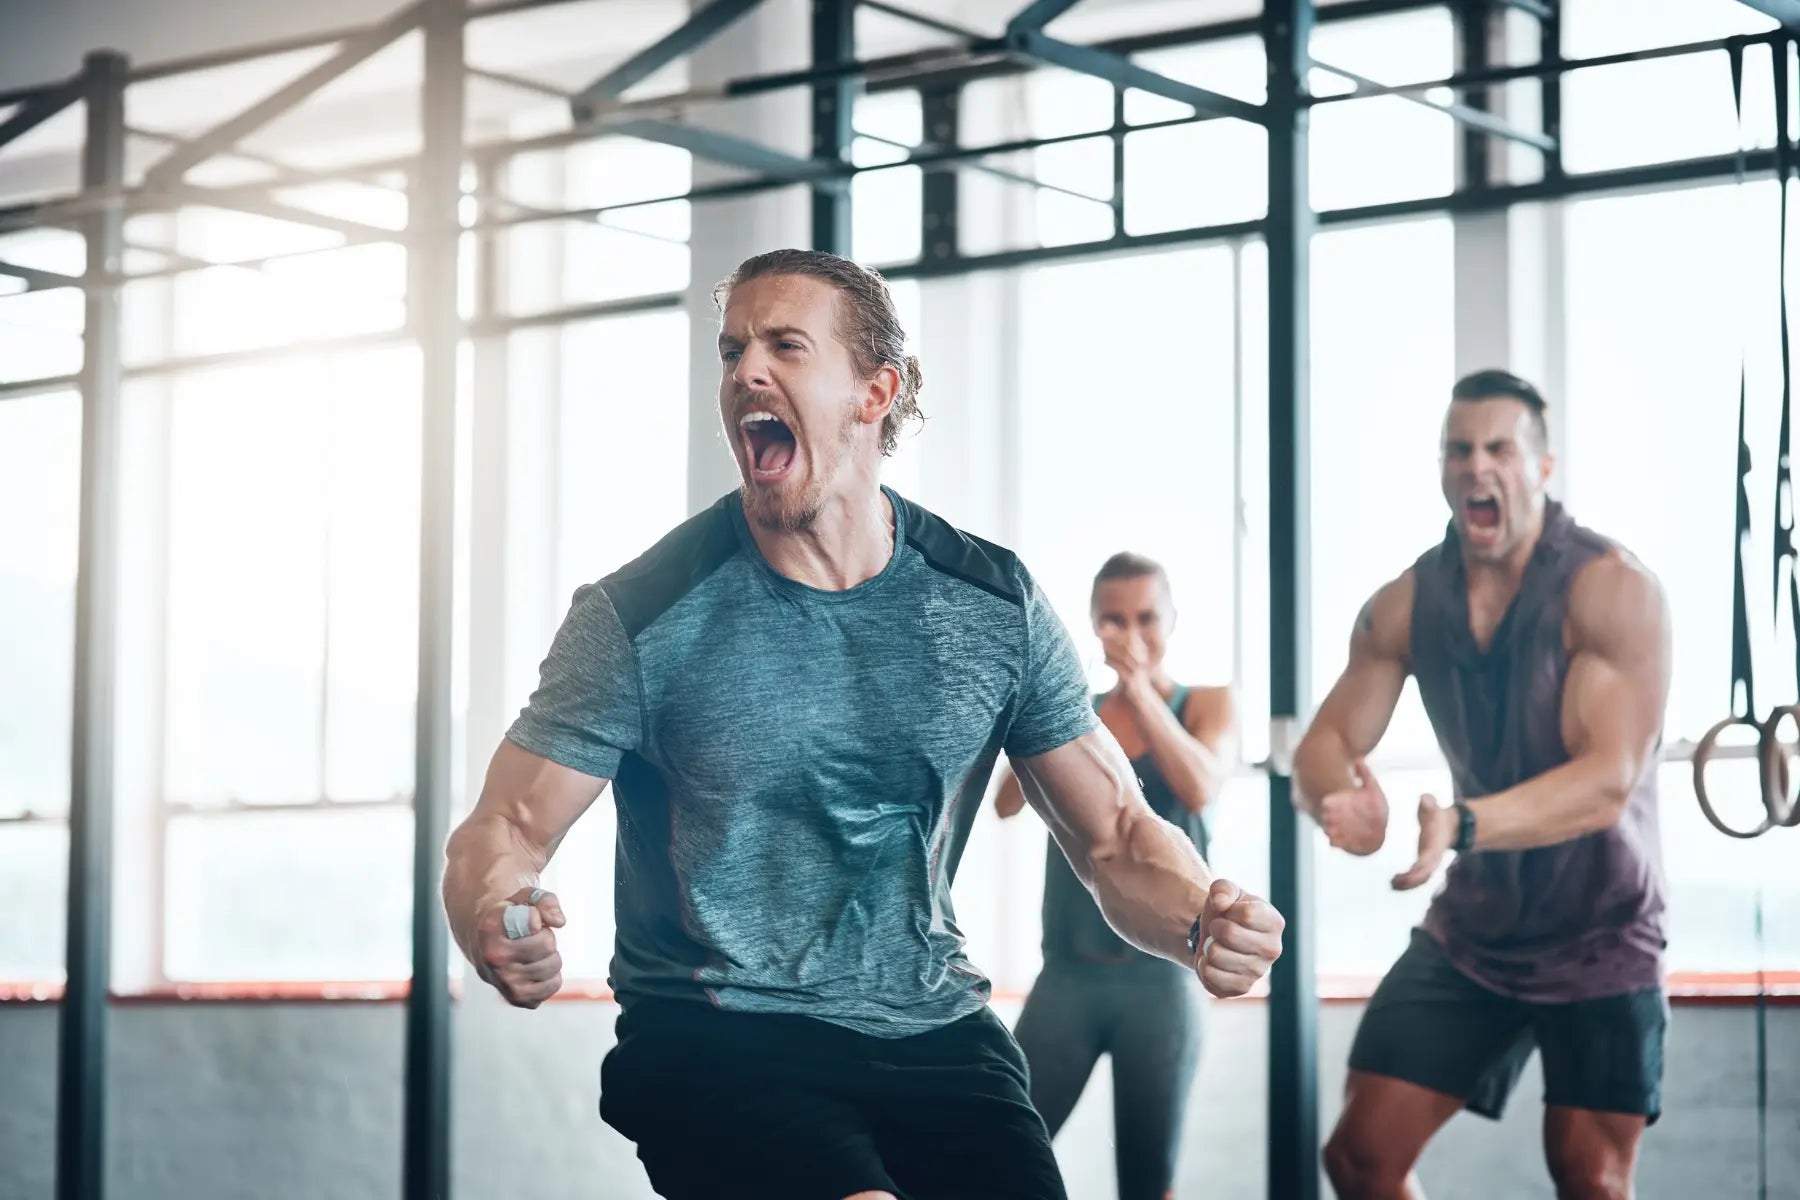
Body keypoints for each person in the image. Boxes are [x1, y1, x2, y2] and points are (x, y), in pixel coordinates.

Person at [440, 248, 1285, 1200]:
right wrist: (492, 911)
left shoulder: (989, 605)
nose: (746, 371)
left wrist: (1201, 916)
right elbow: (506, 827)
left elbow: (1120, 837)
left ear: (875, 392)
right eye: (732, 350)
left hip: (930, 1025)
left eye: (785, 346)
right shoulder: (641, 614)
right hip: (717, 1032)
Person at [1292, 369, 1671, 1200]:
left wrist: (1462, 826)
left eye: (1500, 448)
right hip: (1477, 933)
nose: (1477, 466)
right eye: (1458, 450)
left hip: (1602, 933)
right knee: (1358, 1159)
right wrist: (1337, 798)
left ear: (1542, 466)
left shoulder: (1611, 590)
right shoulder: (1405, 602)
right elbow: (1322, 743)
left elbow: (1607, 783)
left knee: (1593, 1180)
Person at [994, 551, 1237, 1200]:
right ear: (1094, 627)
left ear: (1172, 619)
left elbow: (1202, 784)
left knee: (1146, 1181)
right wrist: (1063, 709)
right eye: (1113, 620)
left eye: (1146, 618)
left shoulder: (1206, 703)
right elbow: (1005, 802)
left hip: (1159, 981)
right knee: (993, 1147)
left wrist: (1138, 692)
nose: (1131, 635)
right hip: (1068, 978)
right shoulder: (1074, 714)